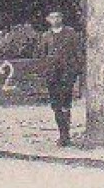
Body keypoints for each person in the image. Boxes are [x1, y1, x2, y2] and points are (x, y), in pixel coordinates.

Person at [36, 9, 83, 147]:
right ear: (47, 20)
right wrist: (45, 70)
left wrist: (77, 70)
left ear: (61, 18)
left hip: (67, 73)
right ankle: (62, 133)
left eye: (57, 17)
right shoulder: (46, 36)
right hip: (52, 74)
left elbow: (77, 52)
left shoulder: (70, 33)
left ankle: (66, 134)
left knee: (66, 103)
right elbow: (42, 55)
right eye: (52, 17)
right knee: (56, 105)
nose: (55, 20)